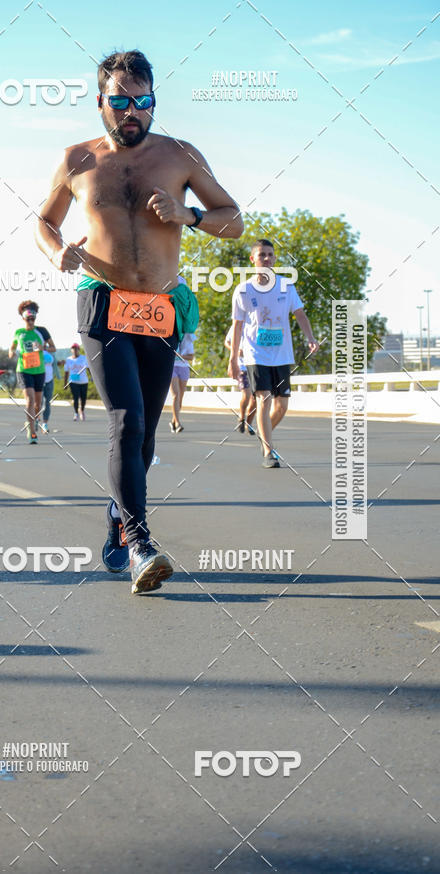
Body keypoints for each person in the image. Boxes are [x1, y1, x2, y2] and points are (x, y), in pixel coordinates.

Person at [35, 49, 243, 593]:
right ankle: (140, 544)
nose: (133, 111)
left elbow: (234, 220)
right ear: (100, 101)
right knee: (126, 421)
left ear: (154, 101)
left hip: (159, 306)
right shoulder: (77, 159)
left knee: (146, 434)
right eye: (121, 101)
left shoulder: (180, 155)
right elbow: (44, 222)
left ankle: (117, 518)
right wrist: (56, 252)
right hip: (102, 301)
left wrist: (189, 215)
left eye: (143, 101)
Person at [227, 239, 319, 468]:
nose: (267, 258)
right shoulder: (243, 290)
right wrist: (233, 360)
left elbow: (300, 314)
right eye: (262, 255)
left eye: (270, 254)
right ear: (253, 259)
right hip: (255, 354)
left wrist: (310, 337)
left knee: (282, 406)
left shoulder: (286, 286)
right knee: (264, 398)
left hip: (281, 354)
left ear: (275, 258)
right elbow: (237, 326)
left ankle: (263, 433)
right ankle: (268, 451)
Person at [9, 301, 46, 443]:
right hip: (24, 369)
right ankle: (32, 432)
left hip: (39, 370)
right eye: (28, 319)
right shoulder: (19, 332)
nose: (30, 321)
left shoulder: (41, 331)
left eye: (33, 319)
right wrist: (11, 352)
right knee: (30, 400)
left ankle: (33, 420)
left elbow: (53, 348)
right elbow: (12, 347)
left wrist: (42, 348)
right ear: (23, 318)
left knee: (38, 404)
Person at [225, 324, 256, 435]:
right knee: (246, 395)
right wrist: (237, 351)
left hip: (256, 365)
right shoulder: (237, 324)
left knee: (256, 399)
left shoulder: (258, 323)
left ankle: (249, 423)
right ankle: (242, 418)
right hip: (242, 367)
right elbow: (227, 342)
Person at [170, 332, 195, 433]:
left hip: (184, 367)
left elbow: (191, 357)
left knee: (180, 398)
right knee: (175, 395)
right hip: (172, 367)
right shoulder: (170, 337)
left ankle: (173, 420)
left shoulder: (187, 338)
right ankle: (177, 423)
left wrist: (180, 356)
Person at [63, 343, 90, 421]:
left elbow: (89, 369)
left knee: (83, 398)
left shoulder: (84, 358)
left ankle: (82, 410)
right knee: (75, 398)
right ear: (71, 350)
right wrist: (65, 384)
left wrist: (93, 377)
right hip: (73, 381)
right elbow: (66, 372)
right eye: (73, 349)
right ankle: (76, 413)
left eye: (76, 348)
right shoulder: (68, 360)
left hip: (83, 381)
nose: (75, 350)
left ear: (79, 350)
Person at [40, 348, 55, 433]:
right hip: (39, 380)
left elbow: (54, 364)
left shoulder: (50, 352)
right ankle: (36, 419)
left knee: (47, 403)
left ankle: (45, 424)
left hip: (49, 380)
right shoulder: (35, 352)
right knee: (39, 402)